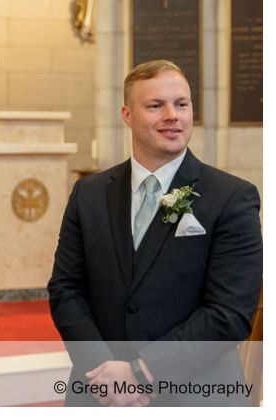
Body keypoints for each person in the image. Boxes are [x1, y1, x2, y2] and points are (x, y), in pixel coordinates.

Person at [48, 60, 261, 406]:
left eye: (181, 104)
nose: (172, 115)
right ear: (127, 115)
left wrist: (142, 373)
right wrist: (104, 372)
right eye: (155, 105)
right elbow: (66, 289)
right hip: (99, 391)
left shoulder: (232, 197)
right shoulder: (89, 194)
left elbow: (229, 313)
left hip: (194, 395)